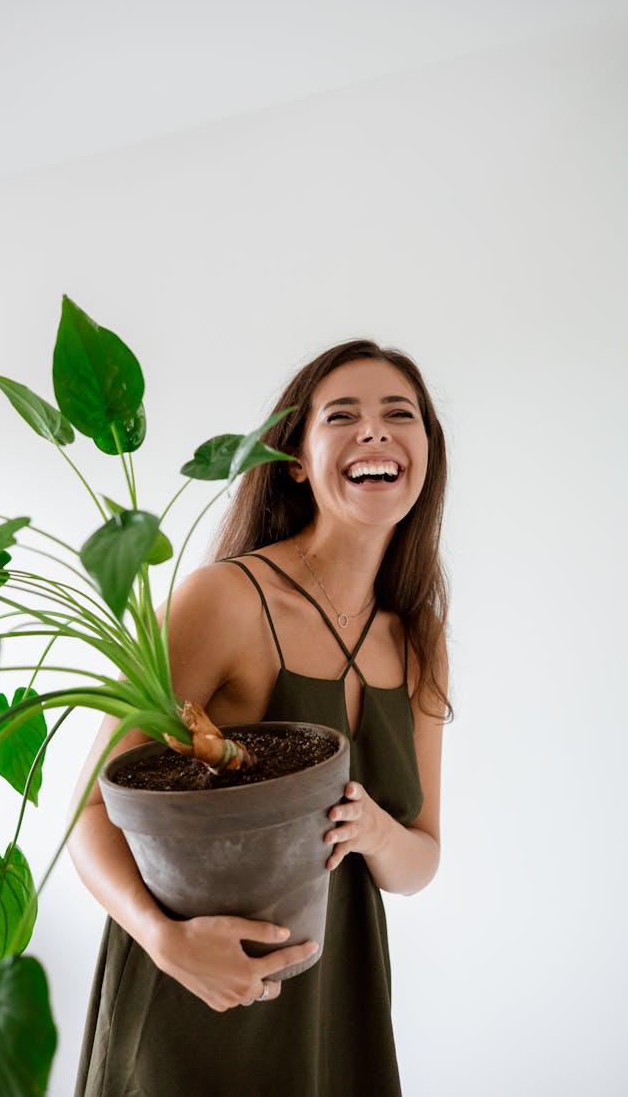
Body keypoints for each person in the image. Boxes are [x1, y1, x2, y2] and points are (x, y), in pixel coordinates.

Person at [69, 339, 450, 1097]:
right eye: (343, 416)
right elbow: (88, 814)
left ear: (425, 455)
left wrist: (376, 832)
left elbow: (421, 859)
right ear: (299, 460)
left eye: (398, 414)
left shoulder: (418, 639)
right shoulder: (224, 600)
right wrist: (166, 941)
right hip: (190, 998)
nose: (374, 430)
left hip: (337, 1012)